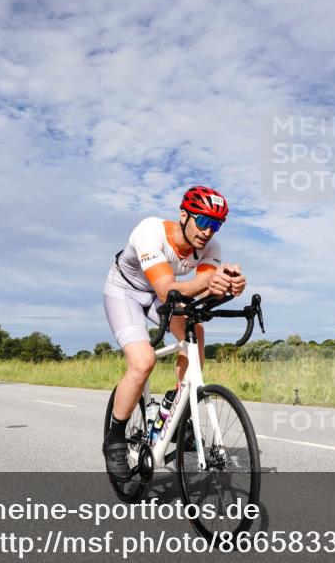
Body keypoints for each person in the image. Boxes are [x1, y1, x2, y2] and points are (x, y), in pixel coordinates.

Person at [102, 186, 246, 481]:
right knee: (142, 362)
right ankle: (115, 439)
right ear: (184, 215)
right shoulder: (149, 231)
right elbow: (169, 290)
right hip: (125, 292)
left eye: (216, 225)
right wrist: (209, 281)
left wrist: (228, 287)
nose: (208, 232)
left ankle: (179, 410)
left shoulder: (210, 247)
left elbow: (203, 287)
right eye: (203, 222)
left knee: (196, 333)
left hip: (160, 295)